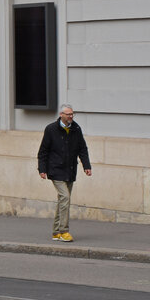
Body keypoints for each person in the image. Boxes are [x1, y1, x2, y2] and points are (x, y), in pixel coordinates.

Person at [38, 103, 92, 242]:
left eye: (72, 114)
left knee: (63, 201)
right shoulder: (51, 129)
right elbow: (43, 151)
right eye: (68, 114)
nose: (71, 116)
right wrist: (42, 169)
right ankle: (64, 231)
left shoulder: (76, 128)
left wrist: (87, 166)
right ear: (61, 115)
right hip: (55, 169)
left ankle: (56, 232)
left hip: (70, 169)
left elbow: (82, 148)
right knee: (65, 198)